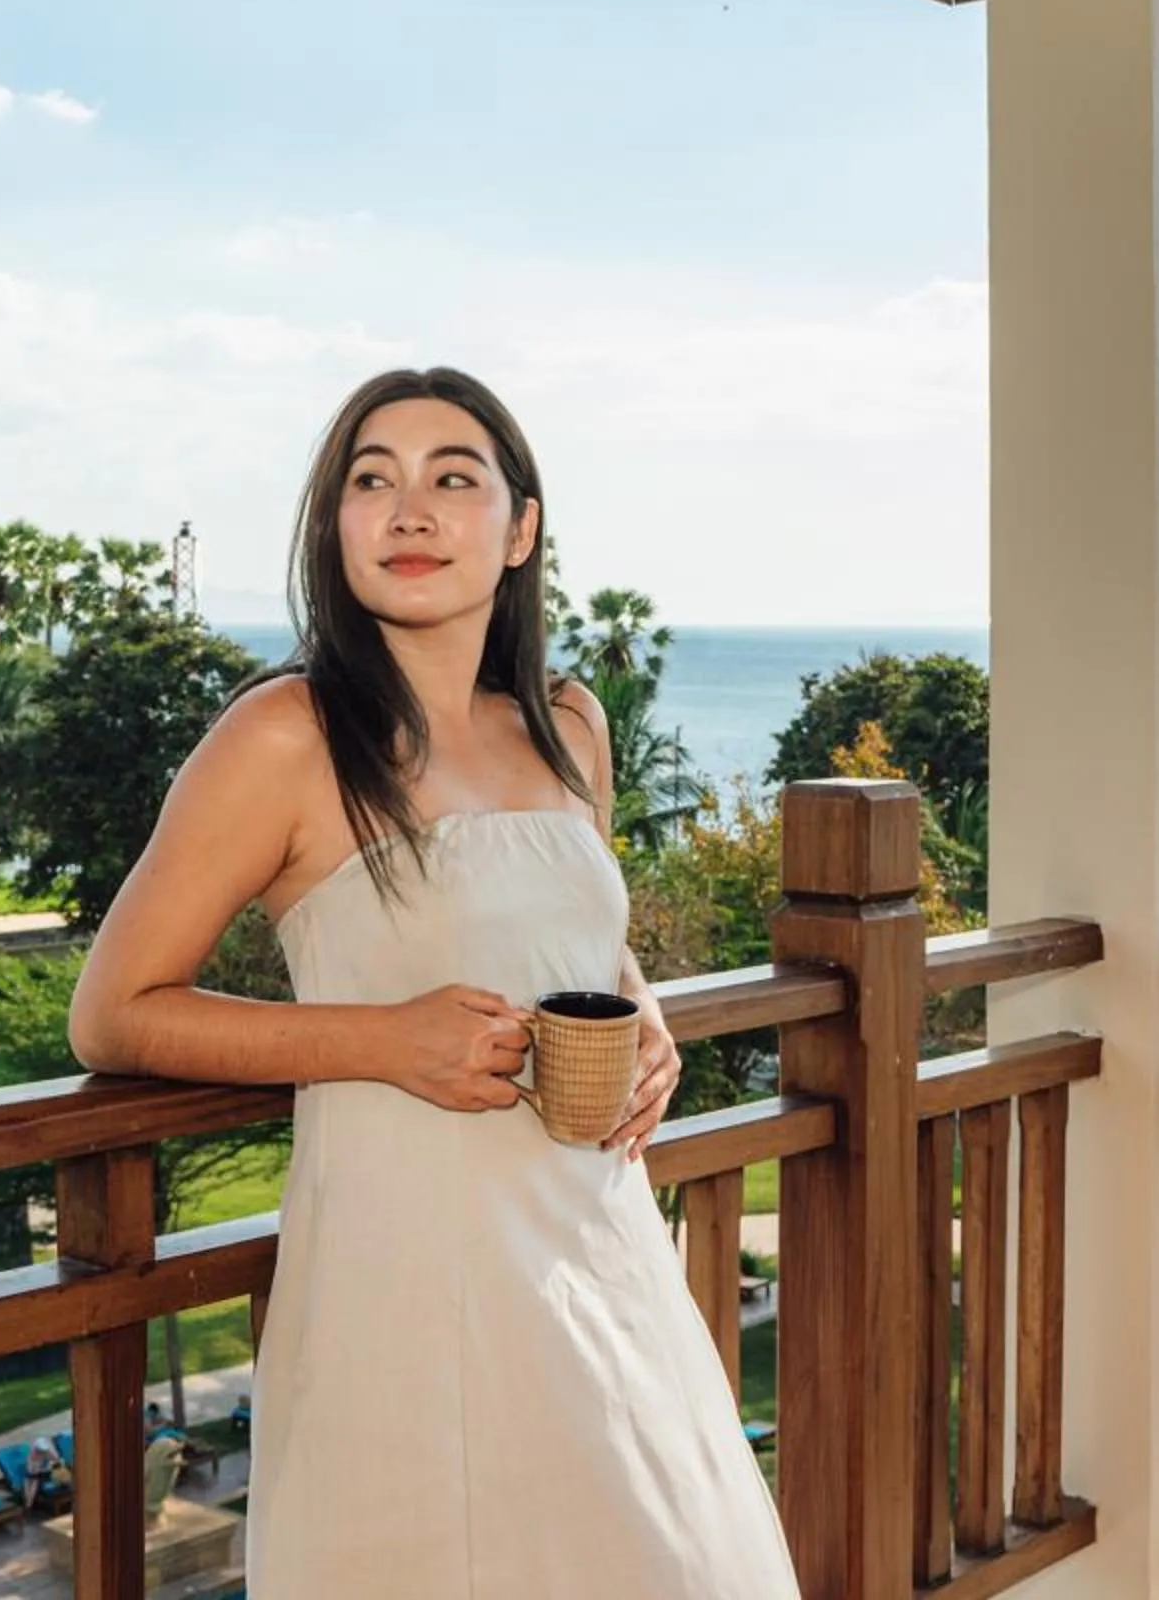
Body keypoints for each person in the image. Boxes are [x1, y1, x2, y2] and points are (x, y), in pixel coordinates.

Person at [70, 369, 796, 1598]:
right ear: (335, 528)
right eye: (372, 479)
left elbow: (572, 927)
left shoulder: (569, 722)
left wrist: (644, 1004)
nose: (409, 509)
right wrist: (380, 1039)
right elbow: (118, 1006)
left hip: (599, 1247)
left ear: (518, 530)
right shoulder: (283, 735)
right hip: (410, 1275)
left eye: (453, 478)